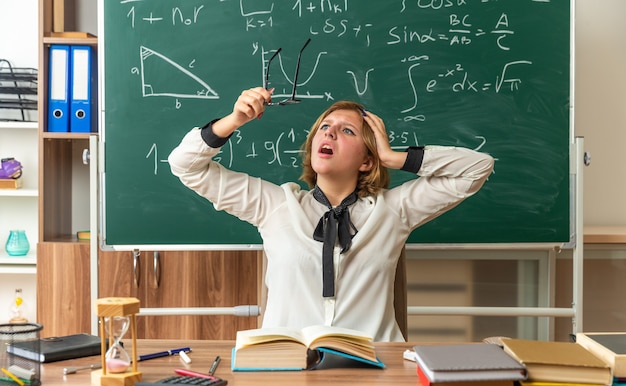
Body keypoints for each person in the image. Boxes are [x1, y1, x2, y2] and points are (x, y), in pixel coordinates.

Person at [168, 87, 494, 342]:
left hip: (376, 368)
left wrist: (392, 157)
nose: (330, 133)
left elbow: (478, 168)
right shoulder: (275, 204)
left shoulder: (393, 211)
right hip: (285, 368)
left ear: (367, 161)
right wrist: (234, 120)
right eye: (325, 127)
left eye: (347, 131)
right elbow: (184, 165)